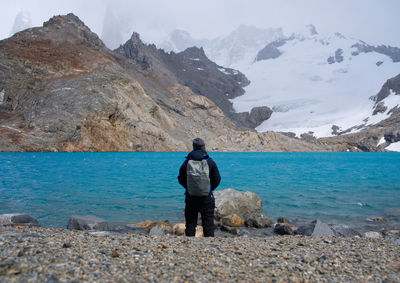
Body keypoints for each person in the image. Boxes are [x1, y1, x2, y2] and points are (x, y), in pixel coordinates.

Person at [178, 138, 221, 237]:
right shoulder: (210, 161)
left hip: (191, 198)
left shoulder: (187, 162)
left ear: (193, 148)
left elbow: (180, 178)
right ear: (203, 147)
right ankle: (209, 246)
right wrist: (208, 189)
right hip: (207, 198)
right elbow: (217, 178)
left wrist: (189, 188)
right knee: (208, 224)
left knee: (190, 223)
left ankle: (189, 245)